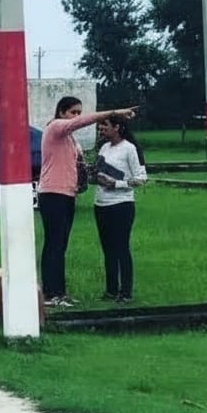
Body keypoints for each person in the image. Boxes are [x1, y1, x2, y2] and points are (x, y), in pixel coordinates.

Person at [37, 96, 138, 307]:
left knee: (60, 245)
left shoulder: (69, 138)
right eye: (73, 112)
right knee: (54, 244)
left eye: (78, 113)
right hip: (53, 193)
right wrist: (114, 113)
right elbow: (84, 122)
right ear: (62, 112)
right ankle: (51, 294)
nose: (76, 116)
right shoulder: (55, 127)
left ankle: (59, 292)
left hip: (67, 194)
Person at [93, 114, 147, 304]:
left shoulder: (129, 149)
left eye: (105, 125)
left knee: (121, 248)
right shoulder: (104, 147)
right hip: (101, 204)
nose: (101, 129)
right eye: (100, 126)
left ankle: (126, 292)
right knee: (108, 249)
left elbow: (141, 178)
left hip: (121, 205)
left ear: (117, 127)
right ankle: (111, 290)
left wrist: (116, 184)